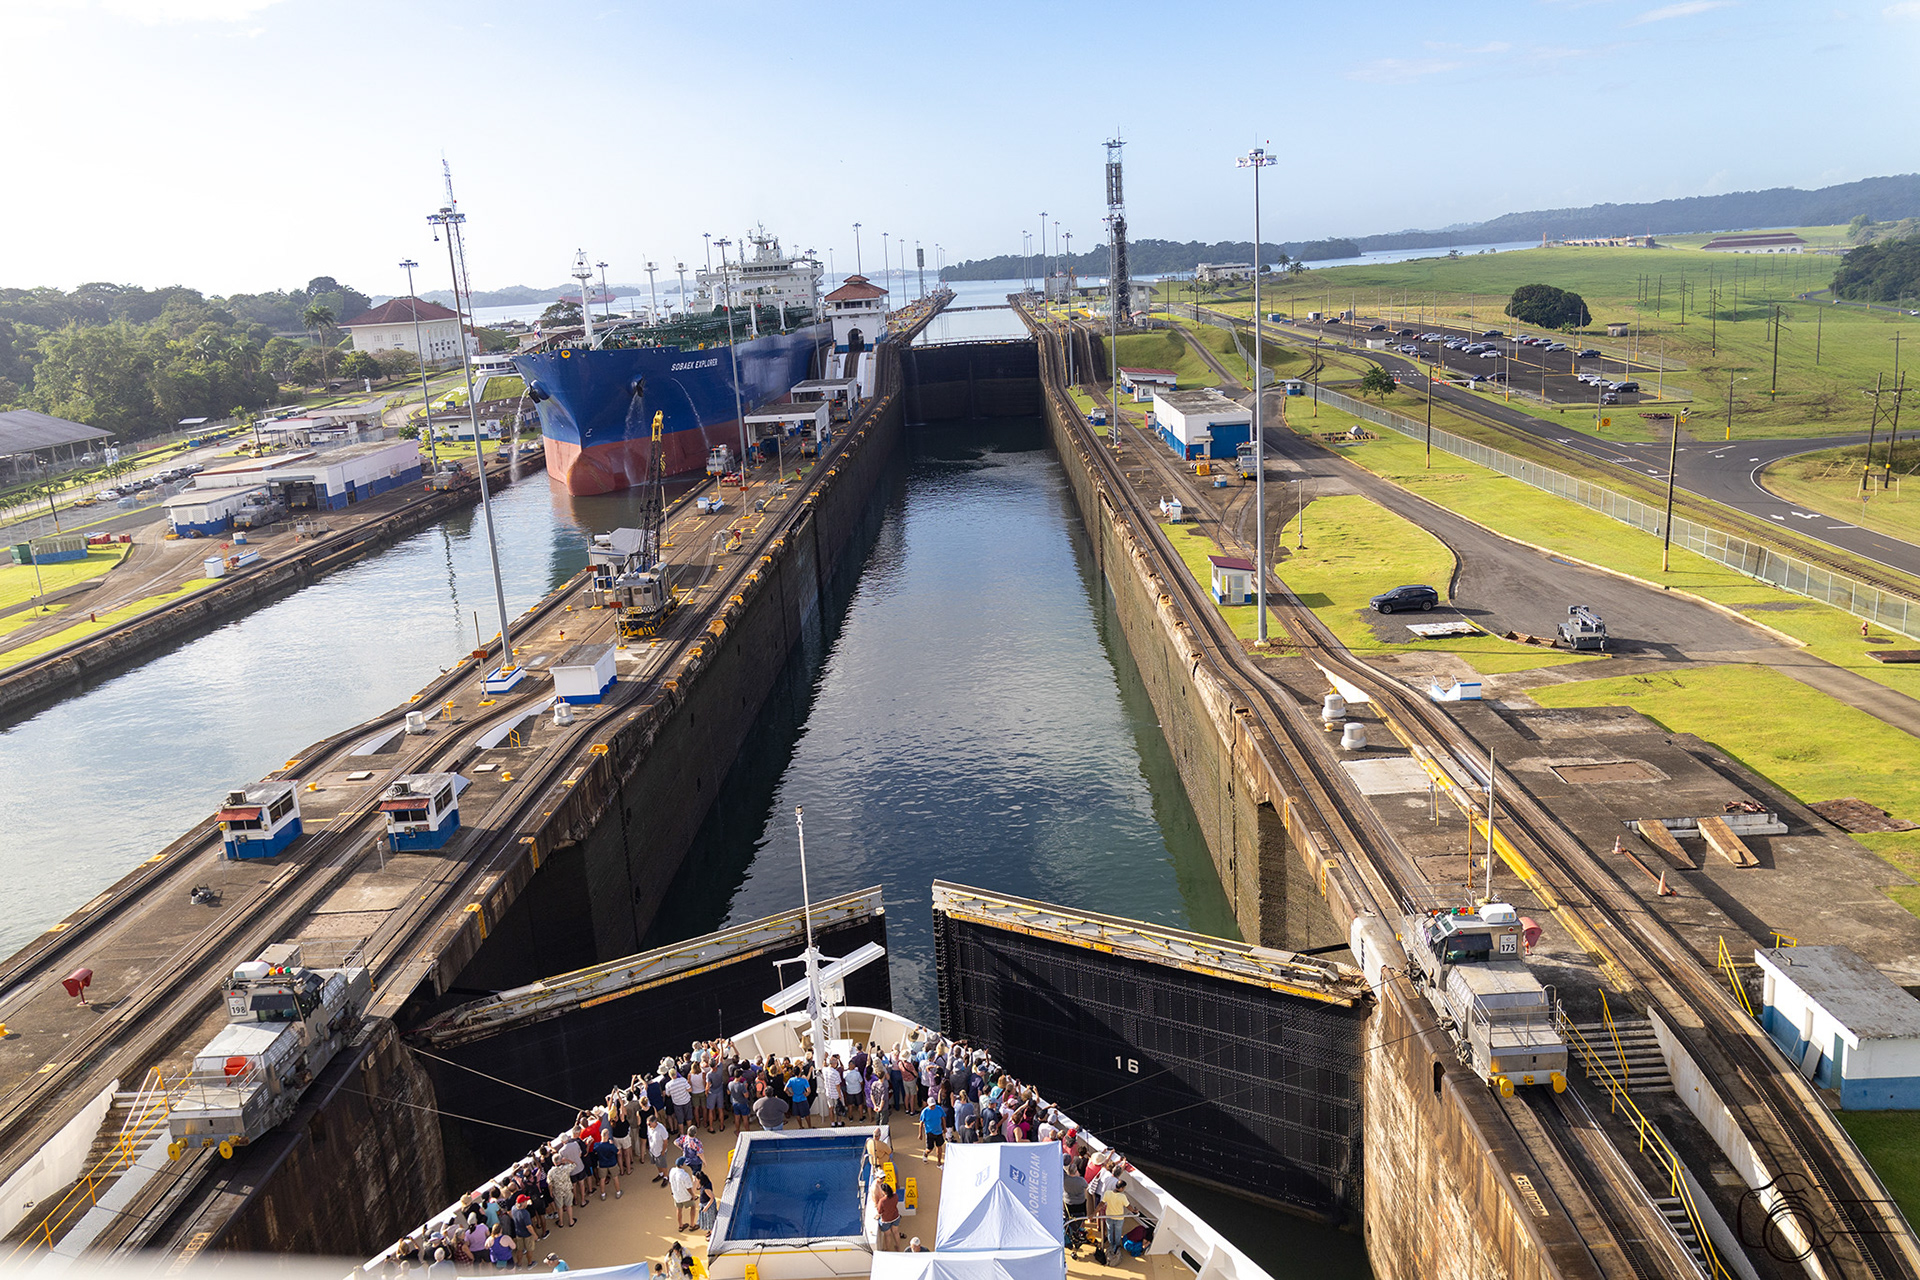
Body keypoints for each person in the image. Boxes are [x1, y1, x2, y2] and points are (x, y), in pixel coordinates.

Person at [668, 1158, 697, 1232]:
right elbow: (688, 1188)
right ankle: (692, 1225)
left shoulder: (672, 1171)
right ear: (682, 1165)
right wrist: (693, 1195)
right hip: (685, 1196)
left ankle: (681, 1226)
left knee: (679, 1209)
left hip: (676, 1195)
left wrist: (672, 1191)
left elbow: (670, 1182)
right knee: (693, 1207)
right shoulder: (684, 1175)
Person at [1102, 1180, 1131, 1254]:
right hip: (1119, 1218)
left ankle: (1111, 1245)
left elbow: (1101, 1203)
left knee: (1110, 1231)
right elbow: (1128, 1206)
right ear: (1121, 1188)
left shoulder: (1107, 1193)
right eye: (1124, 1188)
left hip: (1109, 1216)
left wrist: (1093, 1213)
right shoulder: (1122, 1196)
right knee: (1118, 1233)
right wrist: (1134, 1211)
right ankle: (1117, 1246)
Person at [873, 1179, 901, 1252]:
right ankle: (898, 1247)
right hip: (895, 1217)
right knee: (896, 1232)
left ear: (884, 1192)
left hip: (886, 1220)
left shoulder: (882, 1201)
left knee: (887, 1235)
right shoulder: (895, 1196)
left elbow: (879, 1211)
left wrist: (877, 1216)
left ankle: (888, 1249)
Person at [919, 1095, 948, 1165]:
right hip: (930, 1133)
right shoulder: (925, 1112)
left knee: (939, 1147)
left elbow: (943, 1118)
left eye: (934, 1105)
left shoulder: (939, 1109)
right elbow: (921, 1123)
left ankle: (939, 1162)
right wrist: (920, 1134)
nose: (933, 1107)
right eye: (931, 1106)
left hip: (939, 1132)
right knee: (930, 1149)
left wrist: (944, 1128)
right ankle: (926, 1153)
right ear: (928, 1105)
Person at [548, 1160, 576, 1228]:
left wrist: (550, 1192)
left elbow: (550, 1184)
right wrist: (566, 1160)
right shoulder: (566, 1168)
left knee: (559, 1207)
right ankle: (571, 1221)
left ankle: (561, 1222)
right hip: (567, 1189)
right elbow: (574, 1164)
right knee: (569, 1205)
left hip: (558, 1192)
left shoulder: (551, 1172)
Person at [648, 1115, 673, 1185]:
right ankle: (661, 1174)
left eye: (649, 1123)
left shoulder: (661, 1129)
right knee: (657, 1163)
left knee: (663, 1165)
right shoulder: (649, 1127)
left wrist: (663, 1151)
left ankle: (666, 1177)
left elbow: (665, 1141)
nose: (648, 1125)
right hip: (653, 1150)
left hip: (660, 1151)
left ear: (655, 1122)